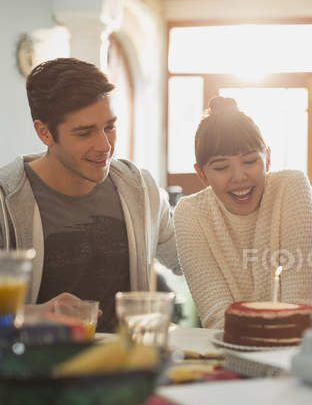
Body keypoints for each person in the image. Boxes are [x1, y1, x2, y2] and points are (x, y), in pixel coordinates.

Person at [0, 58, 180, 332]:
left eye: (109, 126)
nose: (105, 146)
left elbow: (189, 258)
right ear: (44, 132)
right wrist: (34, 315)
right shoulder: (5, 200)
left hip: (126, 364)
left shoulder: (140, 190)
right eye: (84, 133)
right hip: (36, 368)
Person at [173, 96, 312, 329]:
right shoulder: (190, 214)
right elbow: (217, 317)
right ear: (202, 174)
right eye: (221, 167)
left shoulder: (291, 187)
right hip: (232, 348)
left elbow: (301, 307)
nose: (239, 177)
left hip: (306, 347)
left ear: (267, 159)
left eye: (249, 161)